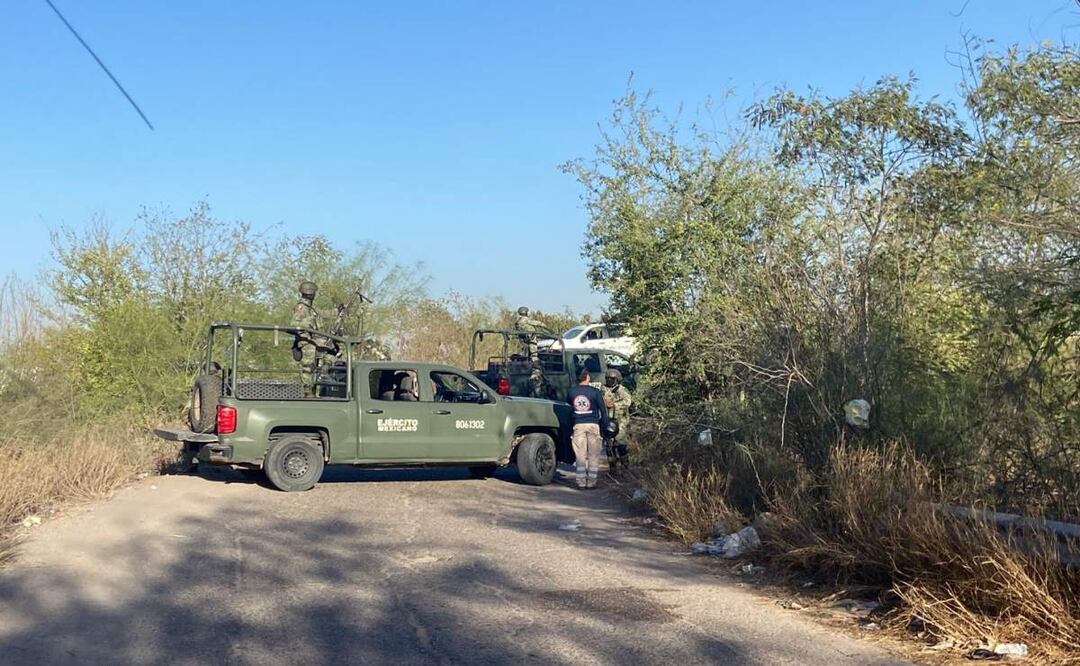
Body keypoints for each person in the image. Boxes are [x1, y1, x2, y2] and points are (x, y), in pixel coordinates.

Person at [289, 280, 336, 397]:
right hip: (306, 341)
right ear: (310, 293)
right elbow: (293, 324)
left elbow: (322, 313)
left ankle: (324, 372)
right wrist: (308, 322)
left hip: (314, 340)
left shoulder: (310, 308)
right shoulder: (301, 307)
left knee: (333, 348)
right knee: (308, 367)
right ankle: (308, 391)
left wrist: (337, 311)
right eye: (313, 293)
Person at [567, 369, 609, 489]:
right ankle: (591, 482)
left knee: (580, 455)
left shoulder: (571, 392)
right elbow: (603, 410)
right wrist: (605, 426)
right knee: (593, 455)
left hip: (578, 425)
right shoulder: (595, 392)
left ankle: (580, 482)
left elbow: (569, 408)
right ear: (588, 377)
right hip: (593, 425)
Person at [601, 369, 633, 471]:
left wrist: (614, 405)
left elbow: (628, 402)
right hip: (607, 421)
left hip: (621, 421)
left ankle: (625, 465)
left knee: (620, 444)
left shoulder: (622, 390)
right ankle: (612, 467)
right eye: (607, 378)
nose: (609, 380)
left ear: (617, 379)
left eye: (612, 378)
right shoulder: (602, 389)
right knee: (609, 446)